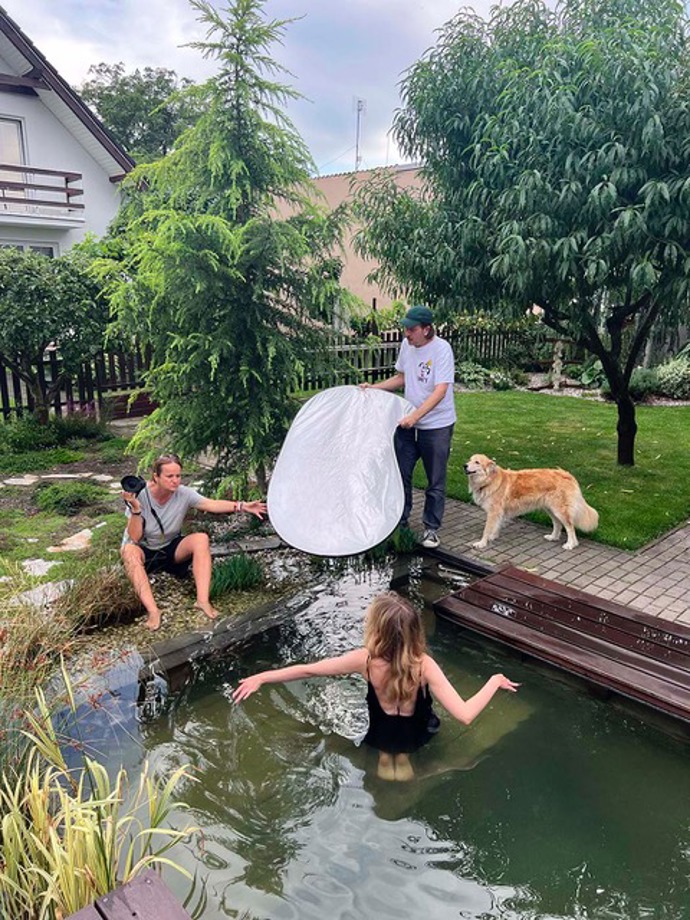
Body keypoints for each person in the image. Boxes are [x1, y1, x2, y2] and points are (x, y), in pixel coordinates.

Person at [233, 591, 518, 782]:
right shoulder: (424, 665)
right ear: (414, 632)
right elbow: (465, 715)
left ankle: (385, 765)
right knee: (406, 763)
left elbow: (310, 669)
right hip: (415, 736)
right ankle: (406, 771)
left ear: (376, 630)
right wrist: (493, 681)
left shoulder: (365, 661)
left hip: (379, 736)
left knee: (378, 755)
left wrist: (264, 676)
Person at [121, 453, 267, 631]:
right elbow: (135, 537)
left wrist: (242, 506)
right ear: (156, 477)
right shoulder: (140, 496)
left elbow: (210, 504)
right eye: (169, 476)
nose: (175, 481)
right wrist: (136, 510)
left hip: (170, 547)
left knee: (201, 539)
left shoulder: (183, 493)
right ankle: (153, 611)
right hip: (144, 551)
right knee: (129, 550)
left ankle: (202, 601)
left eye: (178, 476)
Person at [360, 304, 456, 549]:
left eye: (411, 330)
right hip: (407, 424)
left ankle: (431, 529)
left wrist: (416, 417)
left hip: (436, 426)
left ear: (426, 329)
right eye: (405, 329)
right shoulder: (407, 346)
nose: (406, 334)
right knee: (400, 474)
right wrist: (374, 388)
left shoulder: (442, 350)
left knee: (435, 479)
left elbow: (440, 391)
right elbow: (402, 377)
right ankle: (398, 522)